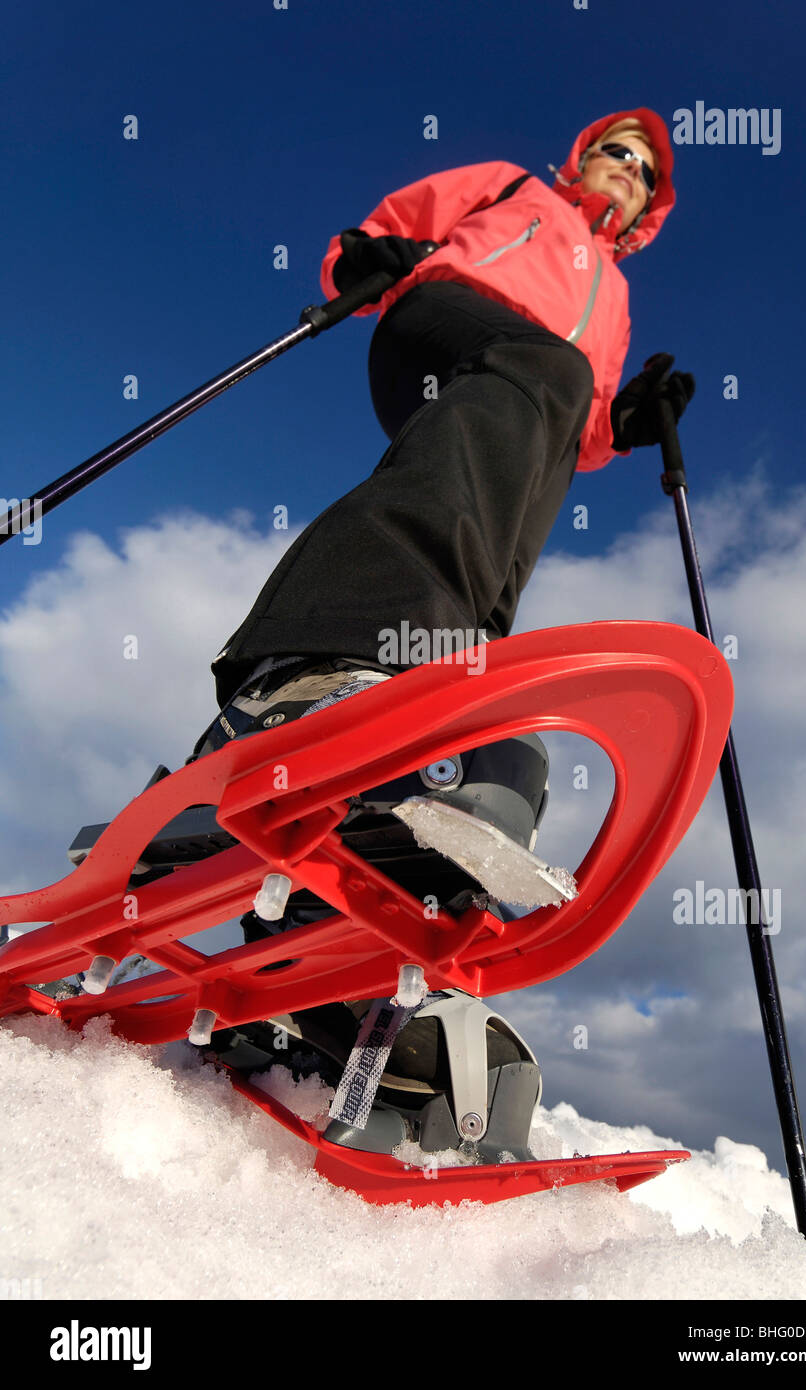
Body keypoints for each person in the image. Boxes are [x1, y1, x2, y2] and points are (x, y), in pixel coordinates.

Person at [190, 108, 695, 1157]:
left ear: (650, 206)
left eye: (645, 172)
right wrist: (362, 260)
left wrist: (624, 421)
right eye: (618, 151)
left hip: (530, 402)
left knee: (489, 580)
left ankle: (325, 957)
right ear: (582, 155)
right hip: (444, 321)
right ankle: (307, 674)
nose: (627, 172)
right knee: (520, 403)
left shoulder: (617, 290)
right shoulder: (519, 189)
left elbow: (580, 422)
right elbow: (389, 225)